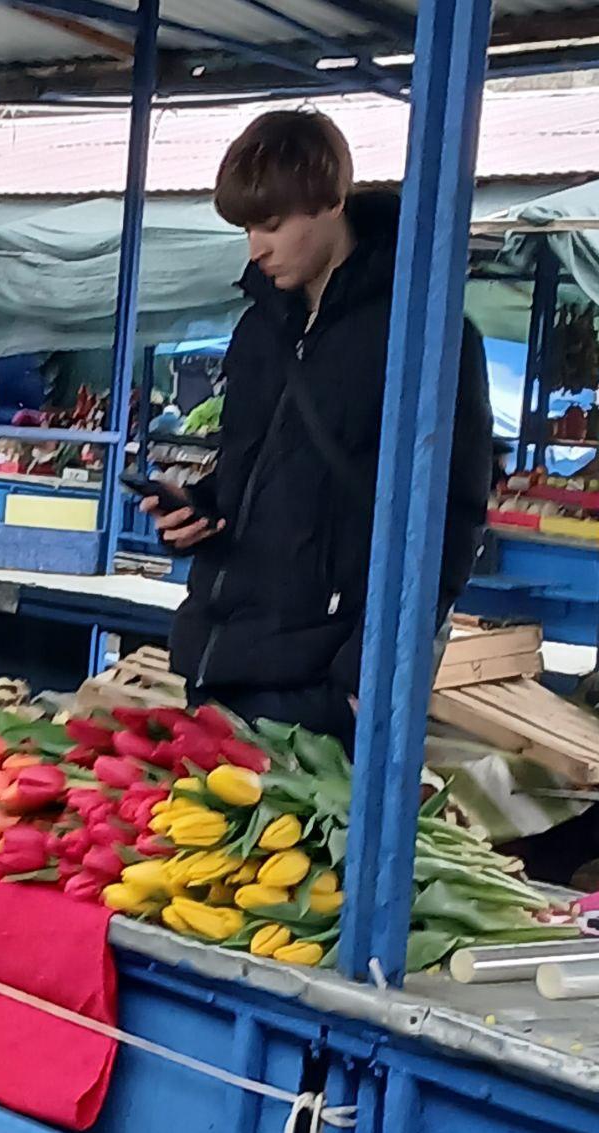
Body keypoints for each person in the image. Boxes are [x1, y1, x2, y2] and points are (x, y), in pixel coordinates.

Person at [144, 110, 492, 754]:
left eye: (273, 225)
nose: (257, 247)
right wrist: (198, 510)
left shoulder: (424, 337)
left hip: (323, 686)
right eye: (248, 228)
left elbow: (452, 518)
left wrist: (368, 674)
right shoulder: (256, 332)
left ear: (332, 202)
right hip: (218, 665)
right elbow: (248, 472)